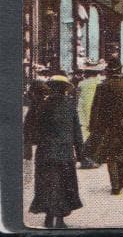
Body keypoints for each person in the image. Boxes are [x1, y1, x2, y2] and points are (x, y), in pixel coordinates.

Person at [24, 71, 84, 228]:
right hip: (65, 153)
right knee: (64, 185)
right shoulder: (70, 107)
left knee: (48, 184)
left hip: (45, 152)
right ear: (65, 89)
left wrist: (30, 146)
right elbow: (77, 132)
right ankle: (60, 219)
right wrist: (81, 154)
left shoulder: (41, 106)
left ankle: (49, 217)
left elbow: (31, 130)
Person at [86, 58, 123, 195]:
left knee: (111, 156)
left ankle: (115, 184)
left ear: (108, 71)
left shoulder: (102, 87)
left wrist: (93, 126)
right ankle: (121, 180)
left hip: (108, 127)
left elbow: (96, 108)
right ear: (120, 70)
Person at [75, 60, 103, 169]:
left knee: (84, 134)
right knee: (96, 134)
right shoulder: (100, 83)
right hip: (96, 110)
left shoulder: (81, 83)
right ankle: (95, 157)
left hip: (83, 111)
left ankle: (84, 157)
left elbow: (77, 98)